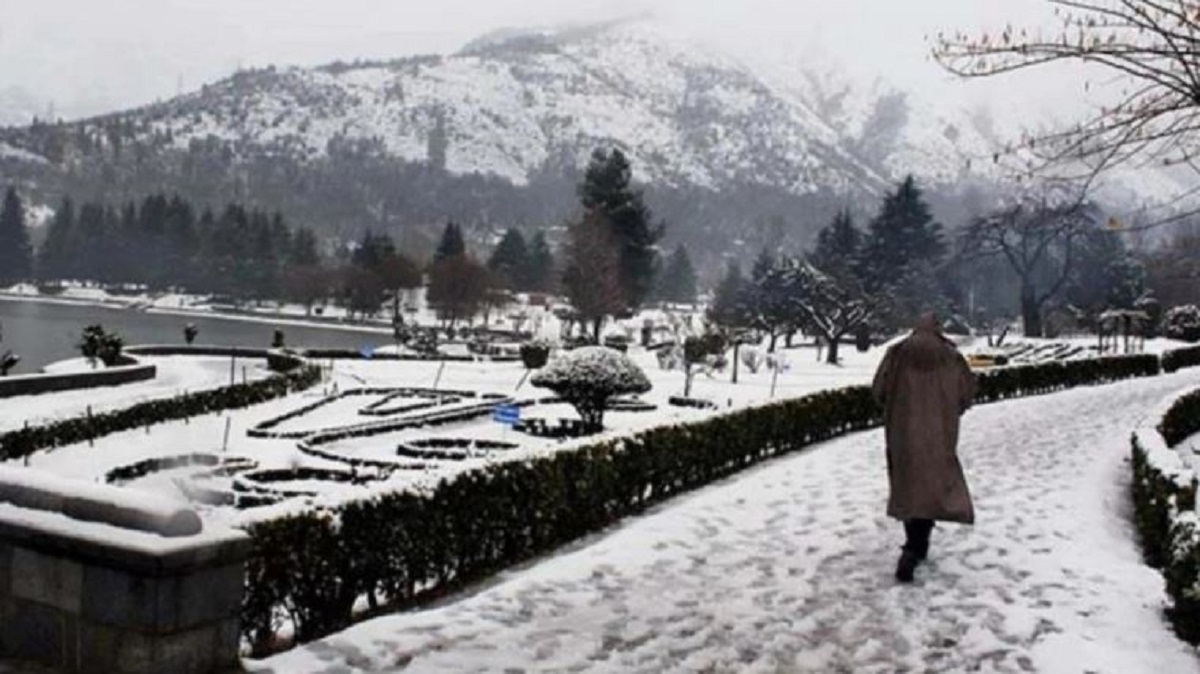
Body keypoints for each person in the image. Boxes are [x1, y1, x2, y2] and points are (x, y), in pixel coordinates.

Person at [871, 312, 976, 583]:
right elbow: (966, 394)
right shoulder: (951, 357)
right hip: (940, 433)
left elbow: (879, 389)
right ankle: (918, 545)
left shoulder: (897, 354)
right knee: (932, 484)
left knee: (909, 485)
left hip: (903, 432)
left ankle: (913, 544)